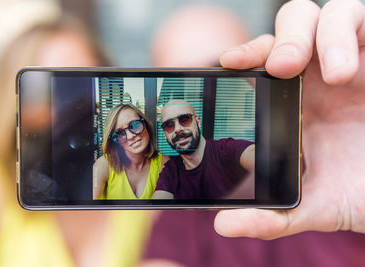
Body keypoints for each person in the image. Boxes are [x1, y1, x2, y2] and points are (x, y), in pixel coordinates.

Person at [140, 1, 365, 267]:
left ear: (256, 71)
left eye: (216, 75)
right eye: (181, 85)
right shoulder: (179, 206)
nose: (204, 95)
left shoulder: (336, 171)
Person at [0, 17, 150, 267]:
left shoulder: (134, 182)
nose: (74, 108)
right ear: (15, 105)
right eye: (53, 90)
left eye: (85, 84)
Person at [152, 99, 254, 199]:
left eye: (184, 119)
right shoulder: (171, 172)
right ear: (165, 135)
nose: (178, 129)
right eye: (169, 125)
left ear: (198, 122)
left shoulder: (227, 150)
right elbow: (156, 209)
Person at [92, 103, 169, 199]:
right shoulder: (103, 165)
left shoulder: (164, 164)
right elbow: (87, 212)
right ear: (114, 142)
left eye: (134, 125)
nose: (131, 136)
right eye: (119, 134)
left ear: (146, 125)